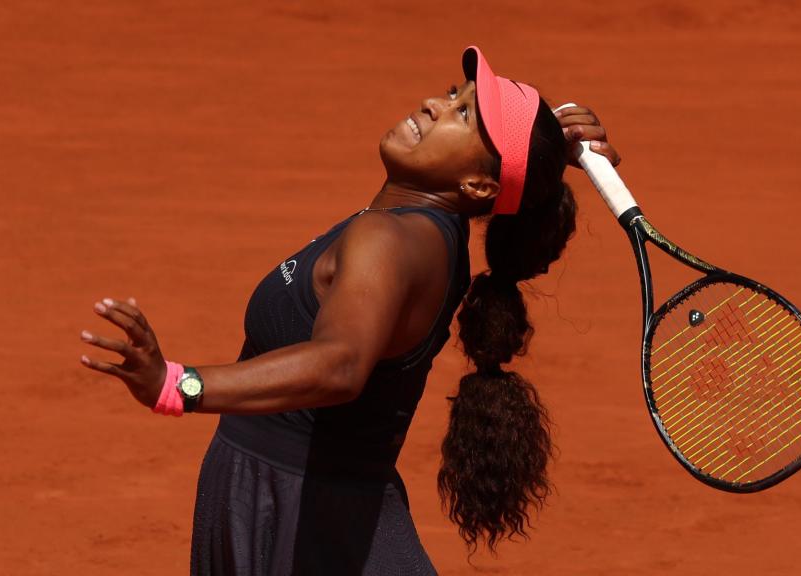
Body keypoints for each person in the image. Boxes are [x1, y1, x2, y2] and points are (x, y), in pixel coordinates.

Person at [79, 46, 620, 575]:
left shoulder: (388, 239)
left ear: (477, 184)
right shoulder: (428, 233)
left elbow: (340, 364)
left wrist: (178, 386)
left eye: (462, 115)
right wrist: (549, 142)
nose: (436, 103)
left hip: (295, 519)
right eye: (456, 94)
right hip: (313, 509)